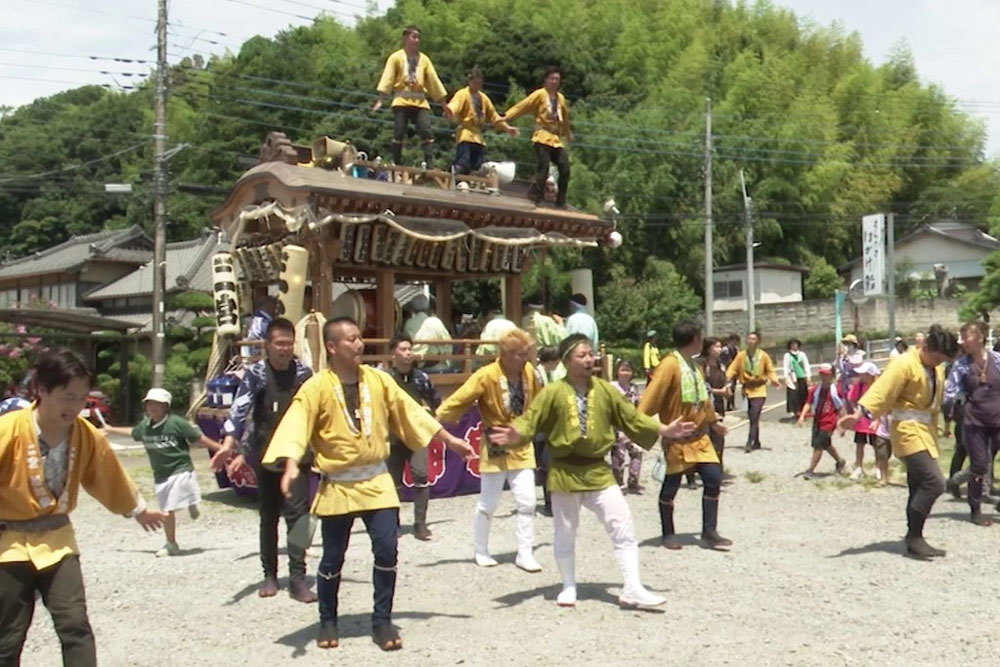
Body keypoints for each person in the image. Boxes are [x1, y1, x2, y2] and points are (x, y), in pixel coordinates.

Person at [262, 317, 475, 651]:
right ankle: (328, 619)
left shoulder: (378, 380)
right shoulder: (316, 387)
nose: (359, 344)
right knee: (333, 557)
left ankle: (382, 621)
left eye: (360, 338)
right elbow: (297, 424)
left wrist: (448, 439)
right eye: (351, 339)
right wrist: (290, 464)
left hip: (376, 480)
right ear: (332, 347)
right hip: (338, 486)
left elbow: (411, 412)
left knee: (388, 549)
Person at [488, 334, 696, 608]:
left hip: (598, 469)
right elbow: (530, 420)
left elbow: (631, 417)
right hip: (564, 471)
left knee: (622, 523)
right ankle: (568, 585)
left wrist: (664, 429)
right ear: (566, 361)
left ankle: (632, 587)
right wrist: (516, 434)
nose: (590, 359)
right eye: (582, 355)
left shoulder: (606, 390)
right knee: (565, 531)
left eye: (591, 354)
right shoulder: (552, 392)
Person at [0, 349, 166, 666]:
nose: (75, 406)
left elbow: (107, 476)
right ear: (42, 390)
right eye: (67, 397)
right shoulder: (8, 429)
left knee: (74, 623)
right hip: (8, 544)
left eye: (81, 398)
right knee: (8, 634)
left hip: (58, 542)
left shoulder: (85, 435)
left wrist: (139, 510)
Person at [210, 317, 316, 601]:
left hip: (298, 455)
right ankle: (269, 574)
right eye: (278, 343)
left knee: (298, 515)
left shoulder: (305, 373)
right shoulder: (256, 373)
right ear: (267, 345)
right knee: (268, 516)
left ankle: (297, 577)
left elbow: (319, 410)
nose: (284, 349)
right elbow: (239, 409)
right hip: (266, 453)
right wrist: (230, 443)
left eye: (288, 343)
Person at [840, 325, 959, 559]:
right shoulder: (904, 363)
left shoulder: (936, 368)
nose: (938, 363)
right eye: (936, 358)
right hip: (907, 430)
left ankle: (915, 536)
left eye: (942, 360)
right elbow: (882, 390)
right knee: (934, 482)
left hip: (926, 429)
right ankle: (913, 536)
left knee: (917, 485)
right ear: (925, 347)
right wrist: (859, 414)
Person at [436, 328, 542, 571]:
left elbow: (540, 401)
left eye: (526, 353)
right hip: (495, 439)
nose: (524, 358)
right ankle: (481, 549)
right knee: (488, 502)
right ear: (504, 354)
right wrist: (439, 416)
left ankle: (525, 552)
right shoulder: (486, 374)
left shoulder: (530, 373)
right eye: (519, 354)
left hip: (521, 441)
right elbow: (460, 398)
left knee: (527, 500)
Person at [639, 321, 731, 550]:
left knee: (713, 478)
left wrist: (714, 422)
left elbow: (703, 399)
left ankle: (709, 531)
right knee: (671, 486)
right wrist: (645, 424)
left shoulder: (695, 365)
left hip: (700, 437)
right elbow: (650, 399)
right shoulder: (669, 365)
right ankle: (668, 532)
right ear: (694, 339)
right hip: (678, 437)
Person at [104, 388, 219, 557]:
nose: (152, 408)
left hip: (180, 469)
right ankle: (191, 501)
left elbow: (198, 438)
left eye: (157, 404)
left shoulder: (176, 423)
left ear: (166, 406)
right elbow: (134, 432)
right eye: (149, 404)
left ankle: (171, 543)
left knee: (168, 509)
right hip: (161, 474)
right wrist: (112, 429)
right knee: (168, 506)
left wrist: (220, 449)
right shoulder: (145, 426)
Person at [385, 333, 442, 540]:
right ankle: (393, 524)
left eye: (410, 349)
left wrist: (435, 424)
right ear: (393, 354)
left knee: (421, 477)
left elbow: (437, 403)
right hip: (393, 437)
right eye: (403, 349)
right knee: (392, 483)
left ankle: (420, 524)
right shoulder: (385, 379)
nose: (408, 354)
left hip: (417, 436)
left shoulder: (421, 378)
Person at [944, 321, 1000, 526]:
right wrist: (947, 410)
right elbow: (949, 392)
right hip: (974, 421)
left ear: (980, 337)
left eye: (965, 336)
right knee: (979, 464)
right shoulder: (961, 365)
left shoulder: (997, 360)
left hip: (998, 419)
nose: (961, 342)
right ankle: (975, 509)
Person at [373, 25, 452, 167]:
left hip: (420, 100)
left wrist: (443, 104)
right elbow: (388, 78)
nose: (416, 40)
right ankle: (397, 162)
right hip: (401, 99)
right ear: (405, 38)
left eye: (418, 38)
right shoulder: (396, 57)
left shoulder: (424, 60)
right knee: (399, 131)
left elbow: (433, 81)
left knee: (425, 130)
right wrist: (381, 99)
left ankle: (429, 163)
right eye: (413, 37)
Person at [502, 66, 573, 207]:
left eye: (557, 79)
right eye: (552, 79)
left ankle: (561, 201)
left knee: (565, 167)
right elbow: (522, 106)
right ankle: (537, 196)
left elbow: (565, 119)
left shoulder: (561, 99)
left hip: (555, 139)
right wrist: (505, 117)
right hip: (542, 136)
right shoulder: (540, 95)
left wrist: (568, 134)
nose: (554, 82)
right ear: (546, 80)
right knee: (544, 166)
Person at [446, 65, 519, 174]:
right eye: (475, 83)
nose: (477, 86)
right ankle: (453, 176)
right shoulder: (462, 94)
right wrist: (450, 111)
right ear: (469, 82)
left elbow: (494, 116)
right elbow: (455, 104)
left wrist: (507, 128)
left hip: (479, 137)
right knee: (463, 163)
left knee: (476, 167)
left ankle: (469, 186)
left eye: (479, 83)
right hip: (465, 134)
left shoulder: (484, 98)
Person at [725, 331, 780, 452]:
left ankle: (750, 441)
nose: (751, 341)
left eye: (753, 339)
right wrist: (726, 379)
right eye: (749, 339)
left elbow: (770, 370)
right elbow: (732, 368)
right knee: (752, 417)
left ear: (758, 342)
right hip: (747, 389)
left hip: (759, 389)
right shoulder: (741, 356)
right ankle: (757, 441)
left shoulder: (763, 356)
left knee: (755, 414)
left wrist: (775, 380)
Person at [796, 364, 848, 480]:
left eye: (827, 375)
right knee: (826, 444)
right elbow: (808, 403)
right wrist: (802, 416)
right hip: (818, 420)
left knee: (818, 446)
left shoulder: (835, 391)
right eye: (822, 374)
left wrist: (843, 424)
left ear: (832, 376)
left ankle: (811, 470)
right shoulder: (815, 390)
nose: (824, 377)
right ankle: (840, 461)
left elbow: (841, 408)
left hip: (829, 422)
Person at [534, 345, 562, 516]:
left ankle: (553, 501)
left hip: (551, 423)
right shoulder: (536, 376)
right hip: (541, 424)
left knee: (551, 464)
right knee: (547, 464)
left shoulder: (549, 374)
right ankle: (549, 502)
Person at [610, 360, 644, 494]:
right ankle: (618, 483)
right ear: (617, 371)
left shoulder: (633, 387)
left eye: (628, 370)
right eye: (622, 370)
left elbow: (638, 405)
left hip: (632, 425)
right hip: (617, 425)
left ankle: (633, 481)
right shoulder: (612, 387)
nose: (625, 373)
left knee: (637, 452)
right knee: (619, 455)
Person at [846, 362, 883, 481]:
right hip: (862, 420)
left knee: (877, 445)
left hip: (874, 419)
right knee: (860, 444)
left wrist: (878, 418)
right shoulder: (859, 385)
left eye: (863, 373)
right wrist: (855, 409)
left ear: (870, 374)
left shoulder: (878, 386)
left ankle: (878, 468)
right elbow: (852, 398)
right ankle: (859, 467)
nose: (860, 375)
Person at [699, 337, 731, 471]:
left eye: (720, 347)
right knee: (705, 436)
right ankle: (700, 468)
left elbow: (726, 381)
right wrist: (719, 391)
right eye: (716, 347)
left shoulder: (721, 365)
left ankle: (717, 466)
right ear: (708, 348)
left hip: (718, 405)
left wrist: (728, 389)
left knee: (719, 436)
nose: (719, 349)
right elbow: (701, 387)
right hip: (705, 405)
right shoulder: (702, 365)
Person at [410, 296, 453, 372]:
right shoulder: (435, 322)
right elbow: (448, 345)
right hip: (439, 365)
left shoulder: (408, 323)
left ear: (412, 310)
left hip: (415, 364)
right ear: (428, 309)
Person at [782, 339, 810, 419]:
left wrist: (808, 375)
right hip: (792, 377)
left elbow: (806, 365)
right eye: (793, 344)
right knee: (793, 393)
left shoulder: (802, 354)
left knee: (803, 393)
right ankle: (793, 411)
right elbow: (785, 367)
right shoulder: (787, 355)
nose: (795, 345)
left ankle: (803, 411)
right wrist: (786, 377)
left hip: (801, 376)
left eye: (796, 344)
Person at [721, 334, 740, 411]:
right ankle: (728, 405)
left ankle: (731, 404)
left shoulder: (736, 349)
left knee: (733, 388)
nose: (735, 343)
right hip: (727, 370)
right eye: (734, 341)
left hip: (733, 371)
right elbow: (724, 360)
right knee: (729, 387)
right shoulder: (725, 349)